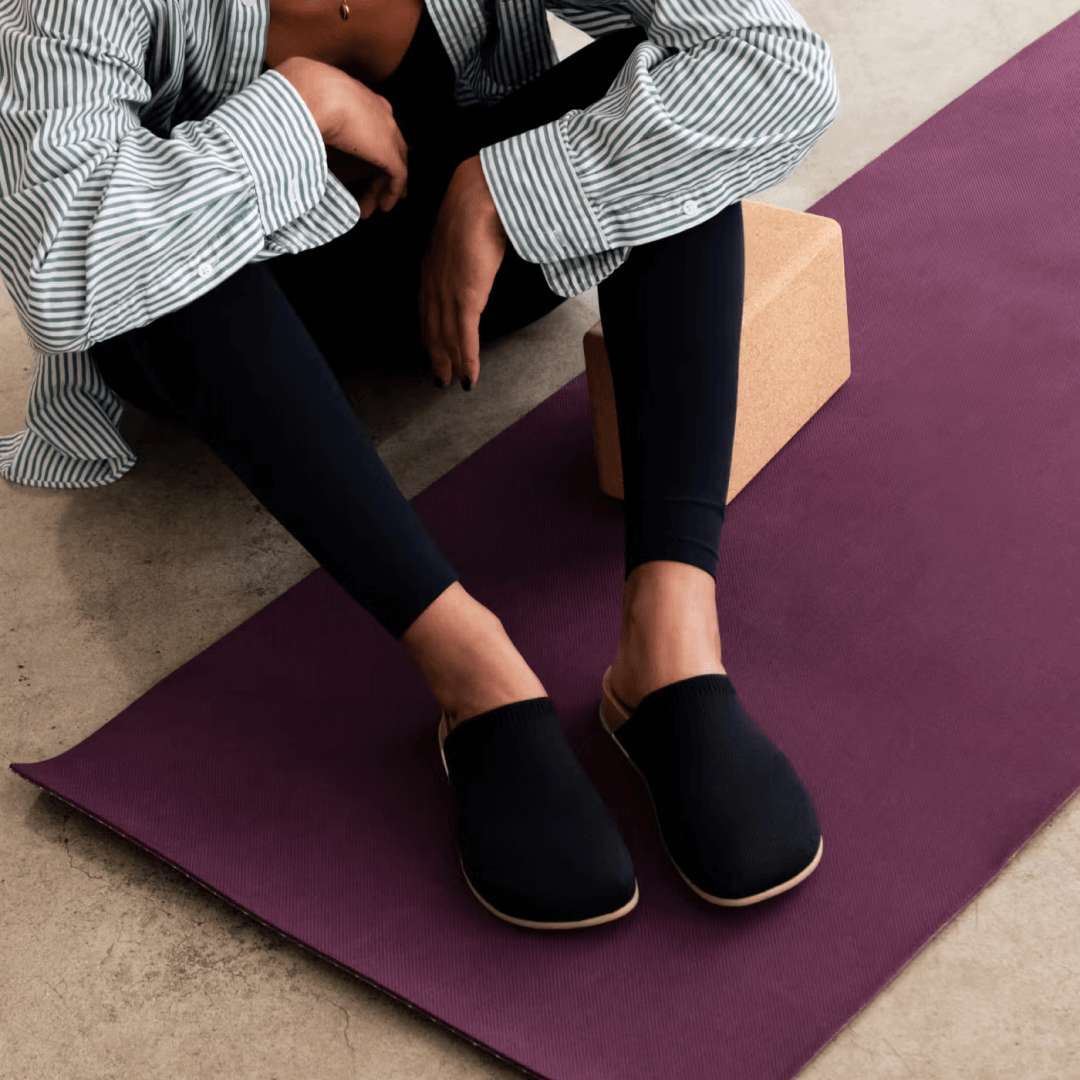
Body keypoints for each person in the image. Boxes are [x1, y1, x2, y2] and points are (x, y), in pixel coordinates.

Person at [0, 0, 839, 930]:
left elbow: (775, 60)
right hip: (225, 322)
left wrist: (507, 186)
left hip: (459, 270)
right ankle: (471, 667)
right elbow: (61, 250)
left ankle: (669, 640)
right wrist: (298, 106)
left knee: (671, 92)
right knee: (143, 258)